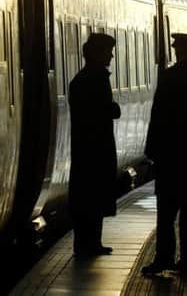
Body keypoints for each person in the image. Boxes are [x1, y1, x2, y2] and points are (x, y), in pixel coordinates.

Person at [142, 33, 187, 276]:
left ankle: (164, 258)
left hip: (169, 155)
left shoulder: (169, 77)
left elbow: (158, 116)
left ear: (178, 51)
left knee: (166, 213)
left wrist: (152, 150)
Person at [68, 32, 121, 257]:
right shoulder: (96, 79)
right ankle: (90, 244)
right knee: (93, 197)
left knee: (87, 198)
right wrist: (113, 109)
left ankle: (87, 243)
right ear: (97, 53)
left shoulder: (79, 80)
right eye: (108, 51)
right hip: (96, 149)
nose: (111, 56)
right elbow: (104, 110)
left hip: (84, 149)